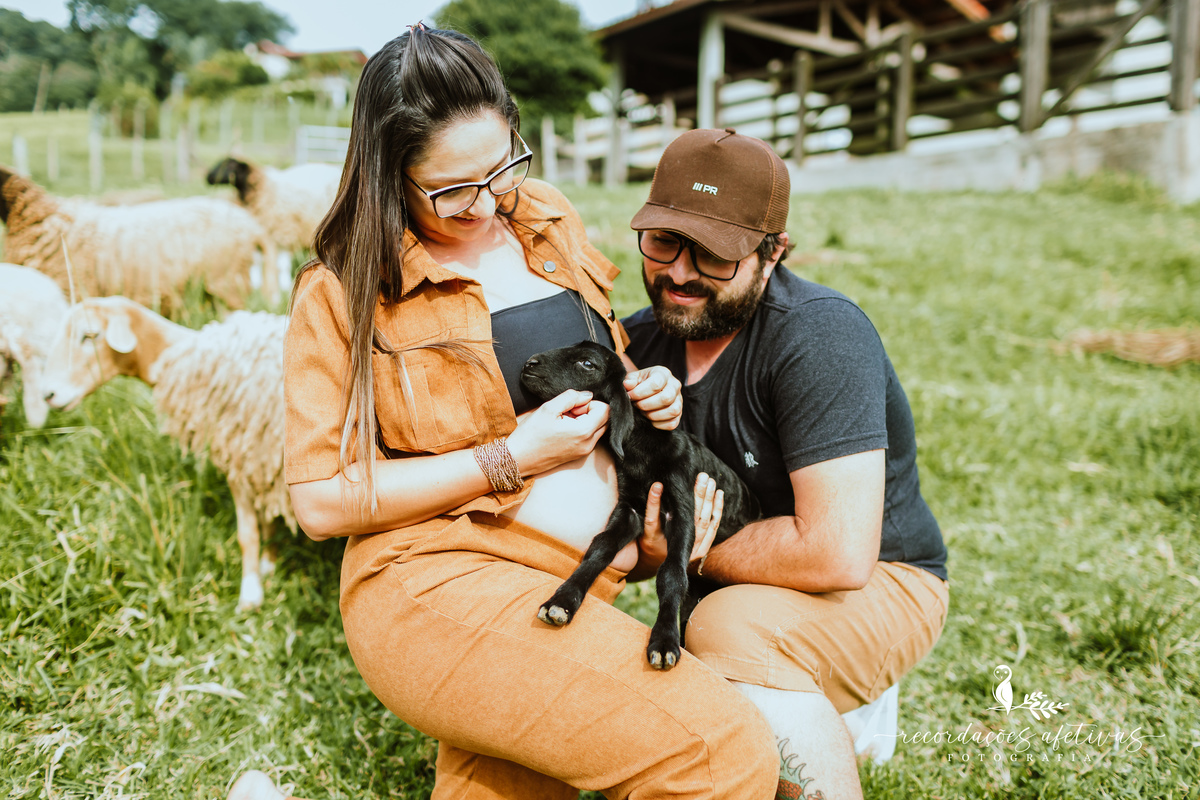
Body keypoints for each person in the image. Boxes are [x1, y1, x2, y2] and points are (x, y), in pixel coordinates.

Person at [255, 25, 780, 800]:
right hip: (438, 581)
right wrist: (510, 458)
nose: (486, 202)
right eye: (451, 190)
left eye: (502, 167)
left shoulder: (544, 216)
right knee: (718, 752)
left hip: (580, 577)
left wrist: (646, 399)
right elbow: (321, 502)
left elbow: (604, 361)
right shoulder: (340, 291)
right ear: (388, 176)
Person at [622, 129, 950, 800]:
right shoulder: (637, 345)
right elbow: (641, 540)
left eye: (714, 254)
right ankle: (813, 707)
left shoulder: (819, 334)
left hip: (880, 581)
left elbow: (837, 553)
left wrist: (690, 550)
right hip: (732, 591)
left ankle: (829, 707)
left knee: (721, 631)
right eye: (664, 242)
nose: (680, 272)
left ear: (773, 254)